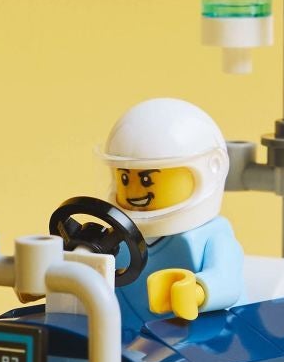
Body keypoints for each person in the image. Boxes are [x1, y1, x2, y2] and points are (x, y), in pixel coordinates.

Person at [97, 97, 244, 338]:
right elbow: (88, 272)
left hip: (202, 340)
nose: (134, 192)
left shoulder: (214, 237)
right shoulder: (116, 237)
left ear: (211, 169)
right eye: (125, 178)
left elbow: (227, 282)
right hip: (122, 338)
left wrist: (195, 291)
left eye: (147, 180)